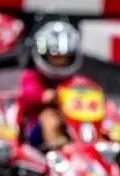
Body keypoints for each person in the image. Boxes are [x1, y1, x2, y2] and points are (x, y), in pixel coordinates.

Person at [17, 21, 83, 150]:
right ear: (44, 55)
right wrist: (45, 96)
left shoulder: (75, 80)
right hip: (33, 127)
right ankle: (57, 156)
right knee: (50, 118)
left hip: (72, 121)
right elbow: (28, 94)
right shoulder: (32, 76)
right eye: (55, 57)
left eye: (64, 57)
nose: (59, 62)